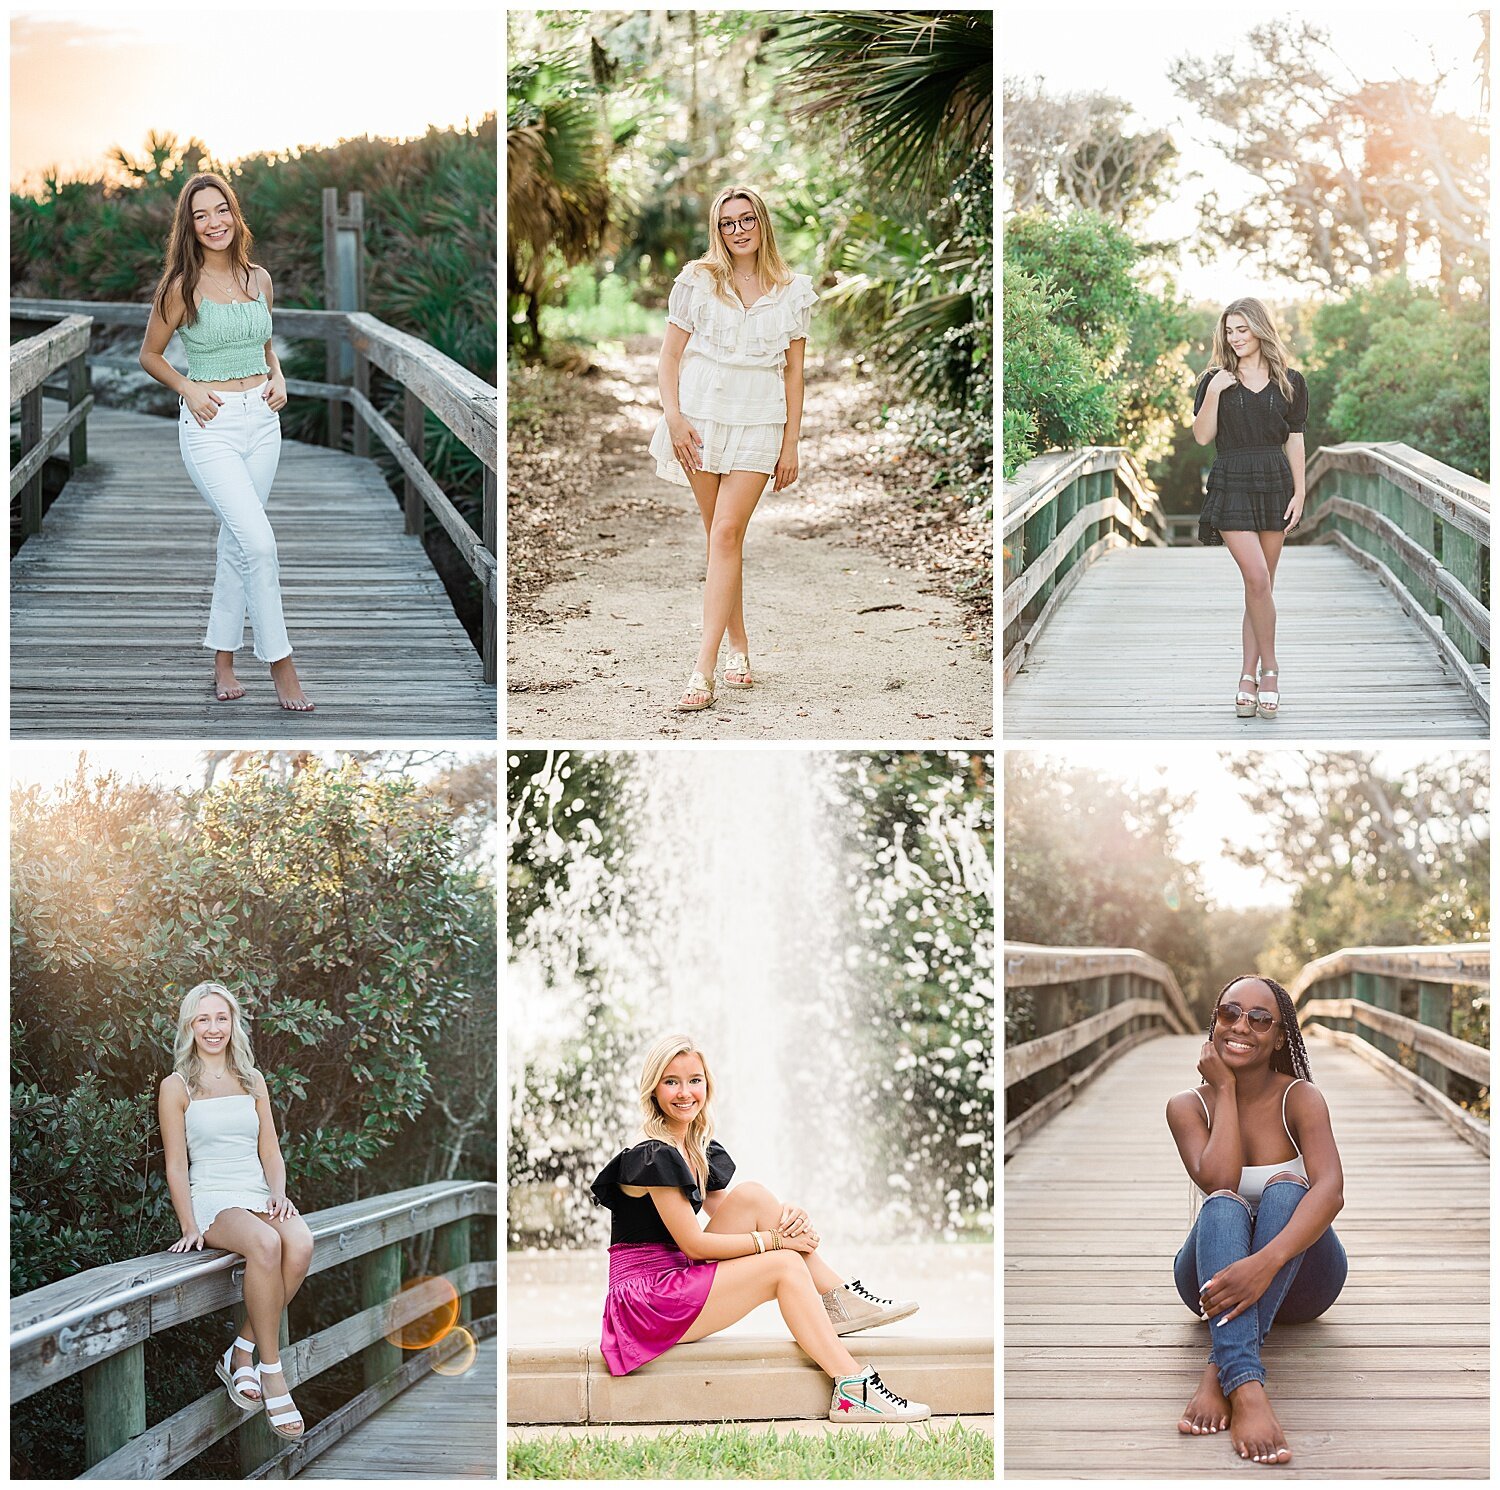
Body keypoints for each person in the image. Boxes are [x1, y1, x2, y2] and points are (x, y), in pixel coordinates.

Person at [589, 1034, 930, 1422]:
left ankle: (838, 1298)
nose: (685, 1092)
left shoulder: (697, 1149)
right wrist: (776, 1242)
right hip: (645, 1300)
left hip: (674, 1279)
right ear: (653, 1089)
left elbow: (739, 1211)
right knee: (782, 1264)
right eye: (671, 1082)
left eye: (694, 1080)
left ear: (707, 1085)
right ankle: (853, 1388)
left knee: (754, 1195)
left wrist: (789, 1220)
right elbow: (697, 1244)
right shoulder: (652, 1154)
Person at [140, 171, 313, 711]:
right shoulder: (179, 287)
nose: (214, 223)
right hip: (210, 426)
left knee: (238, 543)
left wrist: (277, 376)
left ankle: (222, 658)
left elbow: (264, 344)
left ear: (234, 215)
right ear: (188, 227)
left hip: (263, 422)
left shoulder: (258, 278)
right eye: (200, 215)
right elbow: (150, 355)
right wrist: (187, 386)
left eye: (221, 211)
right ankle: (282, 666)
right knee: (259, 543)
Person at [648, 186, 818, 711]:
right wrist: (674, 420)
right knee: (723, 539)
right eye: (727, 223)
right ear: (717, 231)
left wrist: (790, 444)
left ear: (761, 223)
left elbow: (795, 375)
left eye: (746, 220)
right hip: (700, 419)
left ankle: (703, 670)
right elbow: (669, 358)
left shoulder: (794, 291)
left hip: (758, 422)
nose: (738, 230)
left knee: (726, 532)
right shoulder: (697, 281)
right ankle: (739, 647)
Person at [1165, 976, 1347, 1466]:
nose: (1241, 1025)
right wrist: (1224, 1089)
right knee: (1224, 1203)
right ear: (1215, 1022)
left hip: (1304, 1281)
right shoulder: (1188, 1105)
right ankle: (1246, 1386)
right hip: (1211, 1283)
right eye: (1230, 1013)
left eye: (1260, 1018)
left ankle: (1221, 1373)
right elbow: (1218, 1179)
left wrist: (1264, 1263)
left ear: (1279, 1035)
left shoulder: (1301, 1098)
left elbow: (1330, 1191)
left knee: (1290, 1188)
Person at [158, 981, 315, 1440]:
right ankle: (272, 1372)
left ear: (233, 1023)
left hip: (255, 1188)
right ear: (190, 1025)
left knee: (300, 1243)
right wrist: (189, 1223)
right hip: (212, 1194)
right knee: (265, 1244)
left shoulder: (252, 1078)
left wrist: (278, 1191)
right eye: (203, 1019)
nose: (213, 1028)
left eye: (221, 1018)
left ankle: (240, 1351)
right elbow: (176, 1163)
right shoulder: (177, 1085)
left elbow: (270, 1146)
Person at [1190, 299, 1309, 721]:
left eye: (1242, 329)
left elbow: (1294, 439)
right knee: (1256, 578)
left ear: (1260, 329)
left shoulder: (1290, 381)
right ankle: (1271, 671)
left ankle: (1247, 677)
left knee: (1261, 590)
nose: (1235, 338)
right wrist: (1217, 392)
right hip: (1232, 482)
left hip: (1275, 484)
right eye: (1229, 330)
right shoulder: (1214, 380)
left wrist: (1300, 491)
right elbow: (1203, 436)